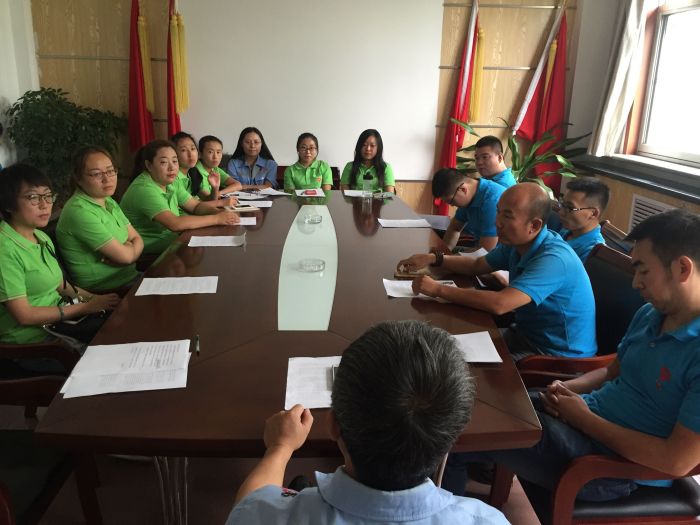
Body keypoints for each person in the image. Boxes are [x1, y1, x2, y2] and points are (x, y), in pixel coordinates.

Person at [442, 208, 700, 503]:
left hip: (607, 466)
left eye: (643, 271)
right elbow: (611, 371)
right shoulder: (650, 314)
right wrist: (568, 388)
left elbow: (675, 461)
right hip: (585, 417)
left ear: (682, 269)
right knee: (468, 405)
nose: (636, 282)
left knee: (456, 434)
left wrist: (583, 418)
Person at [226, 320, 509, 524]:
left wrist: (280, 448)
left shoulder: (265, 515)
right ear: (451, 438)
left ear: (332, 425)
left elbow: (248, 505)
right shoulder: (489, 520)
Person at [398, 182, 597, 360]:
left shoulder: (554, 259)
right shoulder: (518, 242)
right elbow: (477, 265)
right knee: (438, 347)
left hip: (556, 356)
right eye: (498, 212)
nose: (497, 222)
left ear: (534, 225)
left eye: (507, 216)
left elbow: (500, 304)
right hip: (523, 334)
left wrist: (437, 289)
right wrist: (435, 258)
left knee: (454, 366)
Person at [0, 164, 119, 346]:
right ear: (8, 204)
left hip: (63, 323)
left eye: (48, 196)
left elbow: (62, 287)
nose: (45, 205)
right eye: (33, 197)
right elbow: (24, 316)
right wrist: (86, 307)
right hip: (34, 342)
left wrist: (95, 299)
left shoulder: (40, 236)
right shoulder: (5, 249)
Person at [120, 139, 239, 256]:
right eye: (164, 162)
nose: (172, 167)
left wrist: (220, 213)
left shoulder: (171, 181)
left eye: (174, 161)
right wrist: (217, 219)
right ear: (149, 165)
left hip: (172, 242)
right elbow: (175, 223)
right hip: (151, 254)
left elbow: (196, 206)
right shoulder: (144, 188)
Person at [56, 146, 142, 293]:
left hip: (131, 278)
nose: (106, 179)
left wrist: (129, 251)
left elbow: (137, 239)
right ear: (78, 179)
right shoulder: (79, 211)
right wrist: (129, 251)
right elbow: (126, 256)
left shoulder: (107, 200)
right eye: (96, 174)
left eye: (110, 171)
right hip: (107, 291)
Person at [433, 168, 505, 251]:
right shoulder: (470, 197)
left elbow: (485, 250)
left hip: (500, 255)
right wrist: (443, 251)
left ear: (463, 189)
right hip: (480, 248)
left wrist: (442, 257)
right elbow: (454, 229)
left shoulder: (492, 201)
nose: (452, 205)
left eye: (451, 201)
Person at [555, 177, 609, 262]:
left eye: (569, 207)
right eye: (563, 204)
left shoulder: (592, 253)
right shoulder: (567, 230)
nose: (561, 212)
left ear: (593, 213)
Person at [340, 129, 395, 193]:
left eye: (372, 146)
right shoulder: (349, 166)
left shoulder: (386, 168)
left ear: (378, 148)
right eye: (364, 145)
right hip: (354, 199)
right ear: (359, 146)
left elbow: (389, 194)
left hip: (379, 199)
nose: (368, 149)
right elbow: (345, 192)